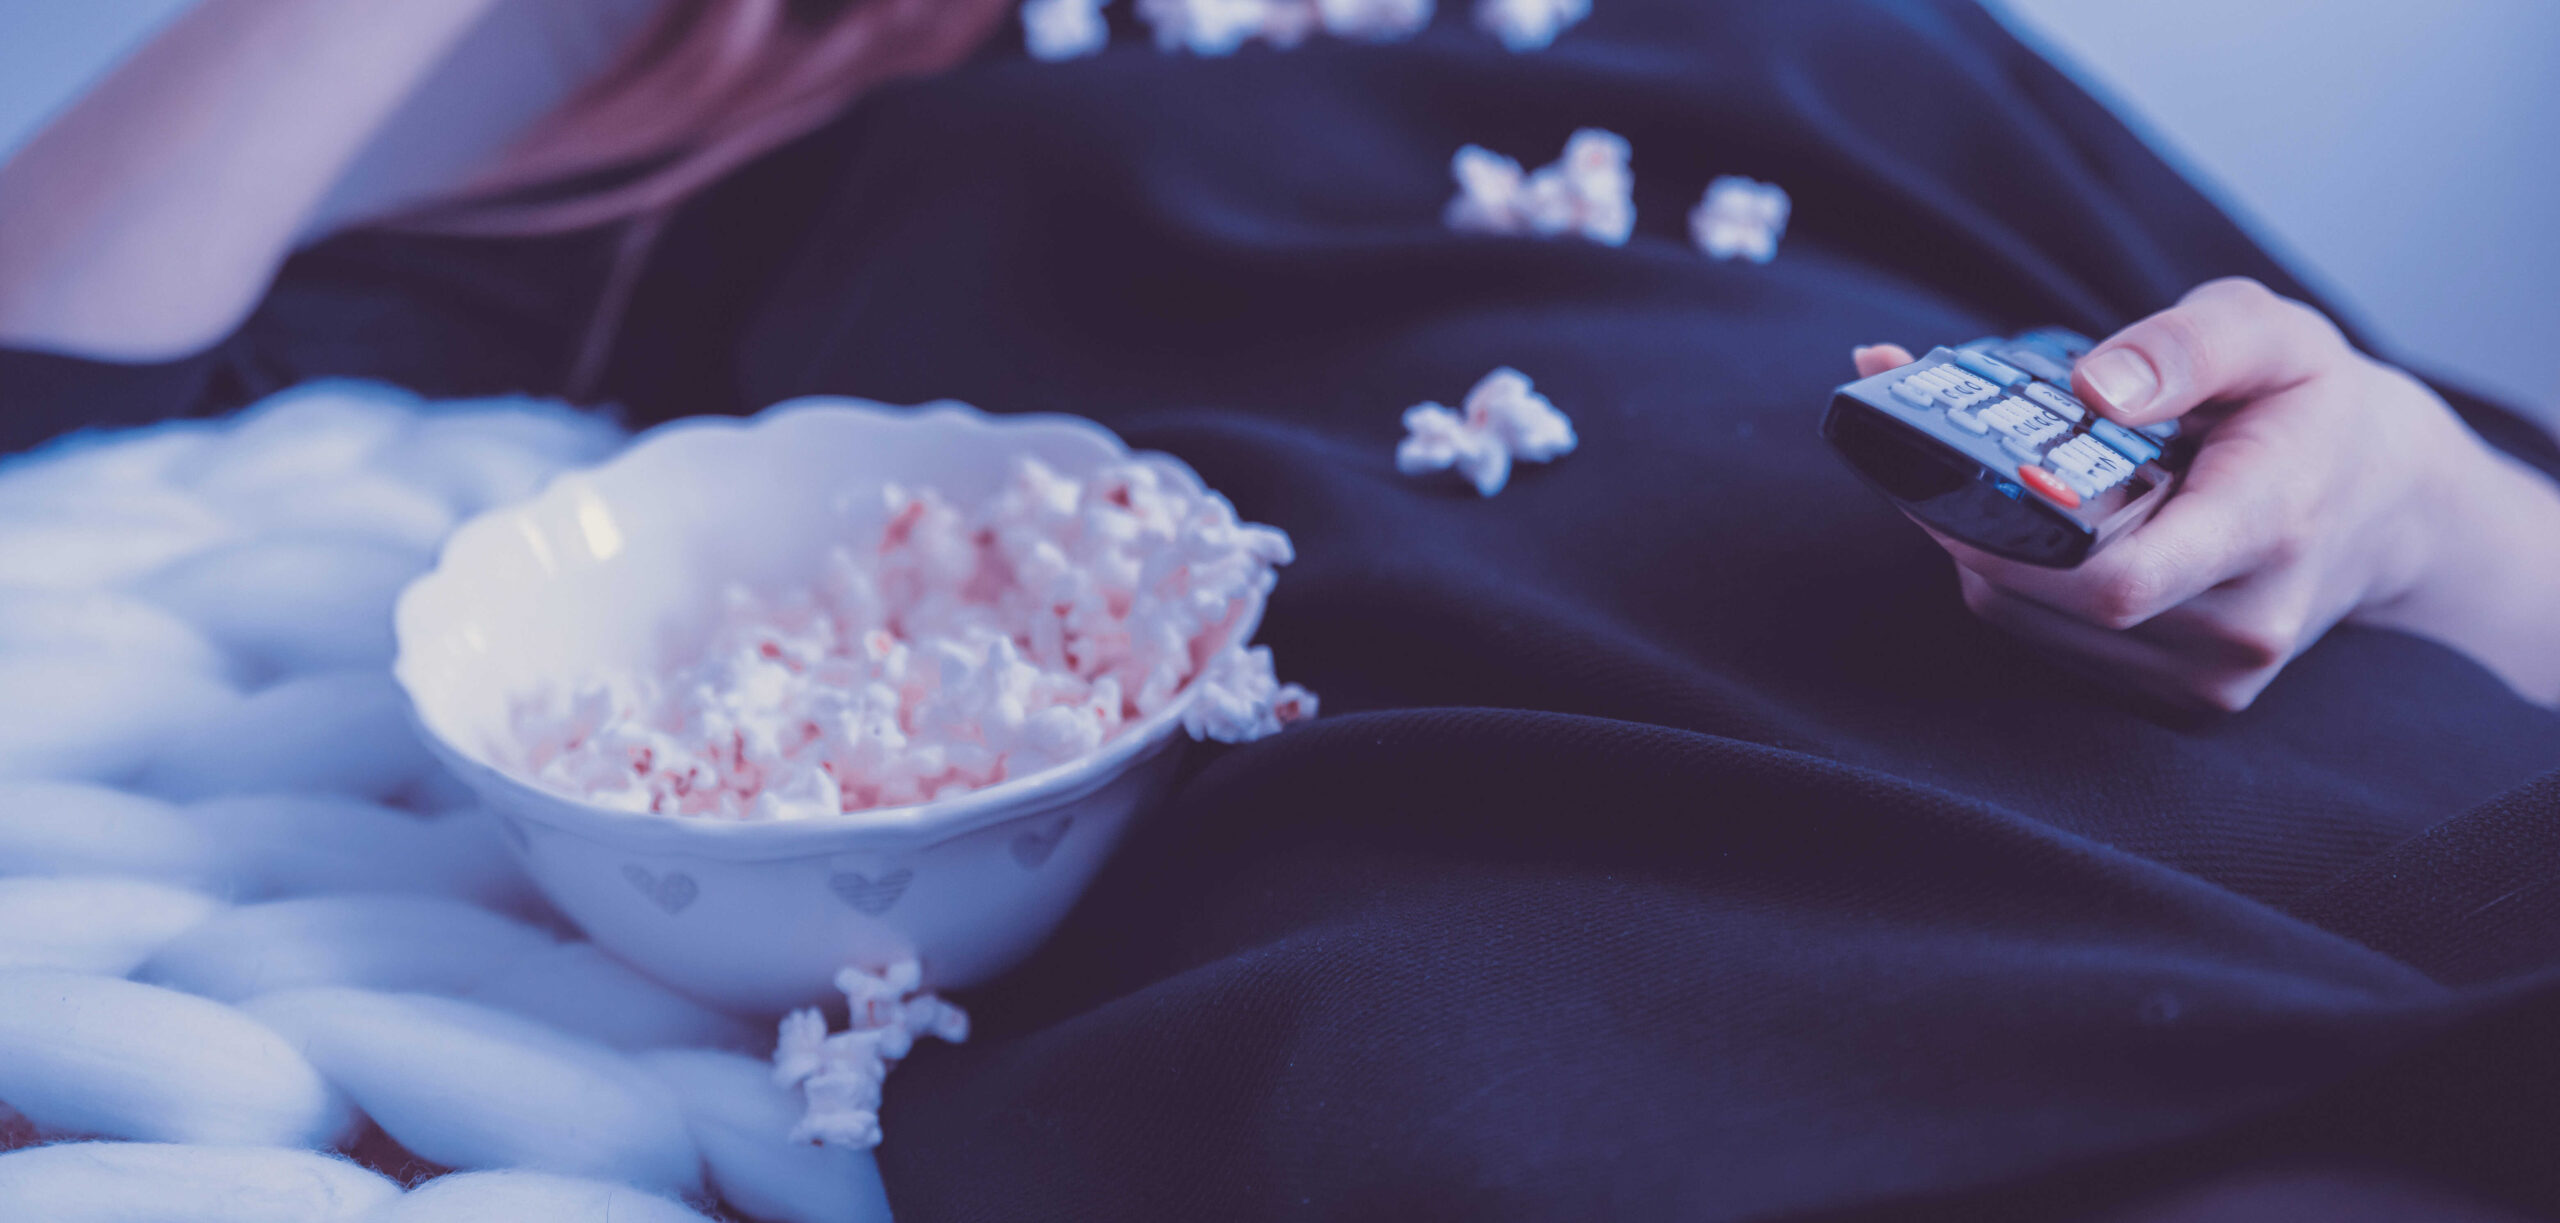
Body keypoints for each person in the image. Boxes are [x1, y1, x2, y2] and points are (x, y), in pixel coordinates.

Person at [5, 0, 2560, 1216]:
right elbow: (58, 392)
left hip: (2245, 755)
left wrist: (2409, 502)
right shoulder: (848, 122)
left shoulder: (1838, 31)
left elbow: (2479, 529)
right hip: (1471, 833)